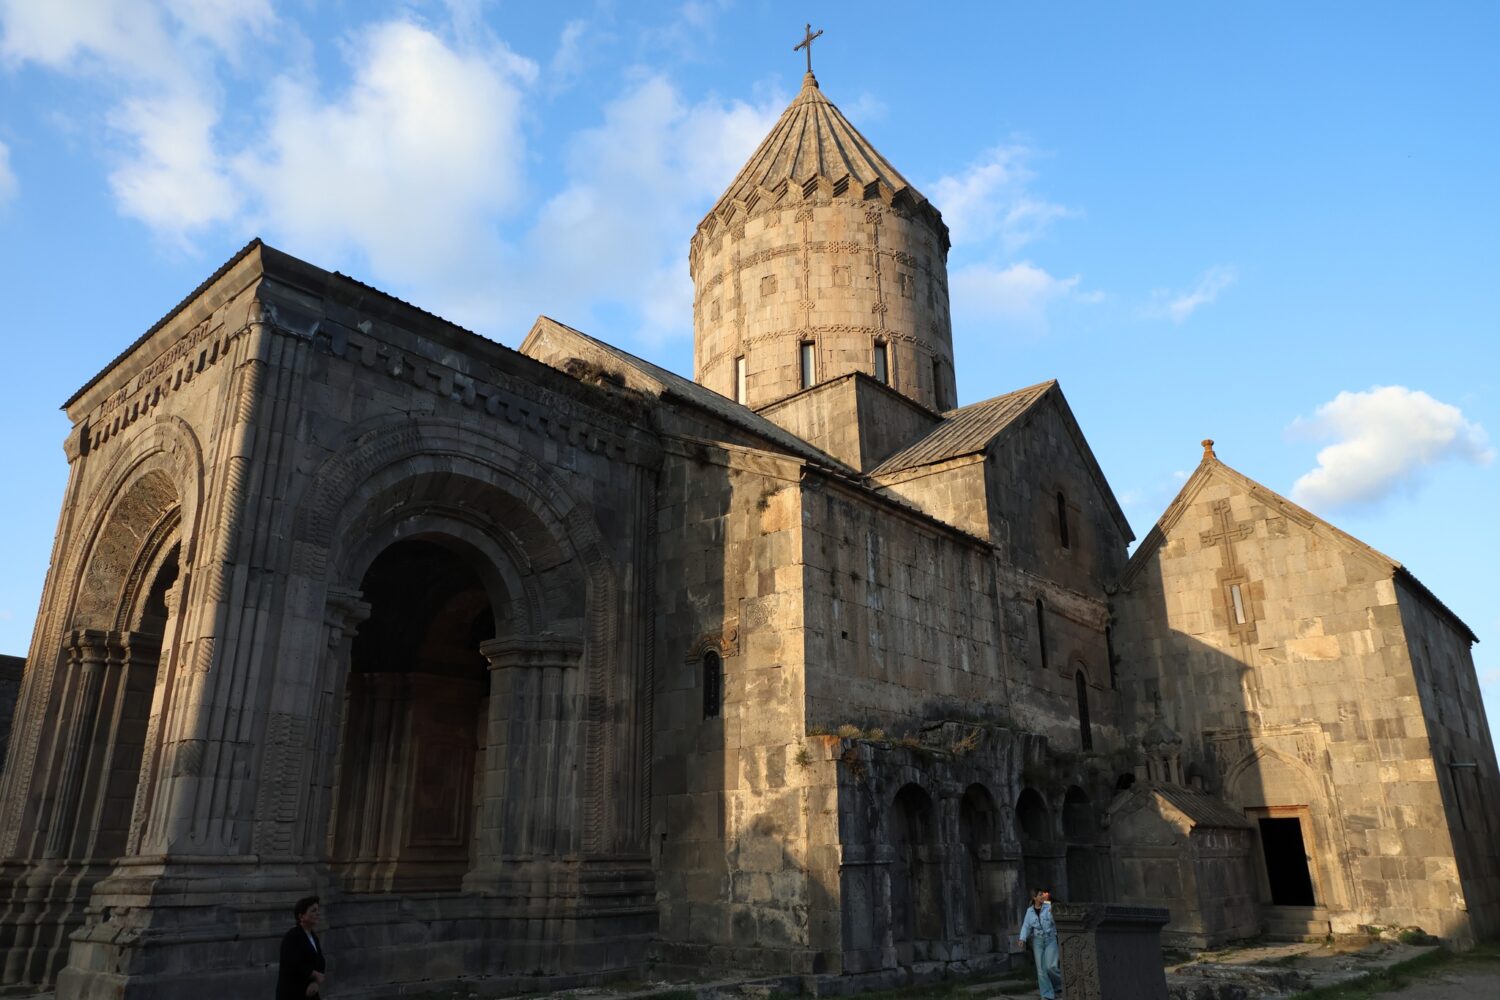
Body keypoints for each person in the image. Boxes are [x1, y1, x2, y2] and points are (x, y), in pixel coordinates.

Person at [277, 895, 327, 1000]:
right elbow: (292, 964)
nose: (318, 913)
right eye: (313, 911)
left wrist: (315, 983)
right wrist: (314, 974)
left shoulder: (313, 936)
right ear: (301, 916)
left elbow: (320, 961)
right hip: (293, 992)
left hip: (310, 991)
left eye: (318, 910)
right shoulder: (292, 936)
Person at [1018, 887, 1062, 1000]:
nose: (1042, 896)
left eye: (1043, 894)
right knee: (1041, 970)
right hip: (1037, 941)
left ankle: (1060, 985)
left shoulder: (1049, 907)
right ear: (1034, 898)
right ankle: (1047, 995)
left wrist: (1054, 913)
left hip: (1050, 939)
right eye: (1040, 895)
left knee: (1051, 966)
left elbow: (1054, 921)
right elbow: (1026, 926)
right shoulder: (1029, 911)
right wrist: (1022, 939)